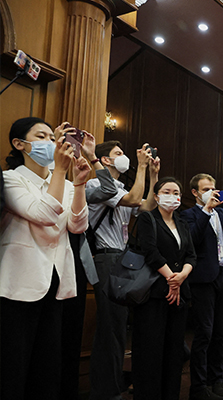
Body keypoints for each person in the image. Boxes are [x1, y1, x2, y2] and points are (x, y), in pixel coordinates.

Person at [0, 117, 91, 399]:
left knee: (46, 366)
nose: (51, 143)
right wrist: (61, 174)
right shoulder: (9, 179)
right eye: (42, 136)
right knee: (12, 367)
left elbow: (77, 226)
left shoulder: (59, 181)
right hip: (18, 283)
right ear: (20, 144)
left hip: (55, 281)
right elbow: (43, 214)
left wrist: (78, 185)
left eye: (53, 138)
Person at [88, 140, 159, 400]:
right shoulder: (97, 184)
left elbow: (147, 206)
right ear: (105, 160)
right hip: (106, 257)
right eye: (118, 154)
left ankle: (114, 384)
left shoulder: (119, 186)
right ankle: (105, 390)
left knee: (119, 325)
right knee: (110, 327)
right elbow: (132, 200)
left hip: (121, 258)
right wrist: (140, 168)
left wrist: (152, 175)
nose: (124, 157)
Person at [59, 124, 118, 400]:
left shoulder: (79, 185)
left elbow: (107, 188)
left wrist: (93, 157)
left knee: (71, 329)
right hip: (42, 263)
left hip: (76, 262)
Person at [181, 174, 223, 400]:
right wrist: (206, 211)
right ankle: (198, 386)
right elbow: (192, 239)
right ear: (195, 192)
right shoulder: (188, 214)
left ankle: (216, 379)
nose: (212, 192)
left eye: (214, 188)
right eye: (206, 189)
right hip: (203, 280)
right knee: (205, 333)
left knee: (221, 332)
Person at [132, 177, 196, 400]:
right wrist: (171, 278)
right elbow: (150, 252)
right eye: (167, 191)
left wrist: (183, 276)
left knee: (174, 351)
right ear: (157, 196)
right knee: (150, 350)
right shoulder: (147, 219)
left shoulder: (183, 223)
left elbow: (191, 255)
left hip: (180, 293)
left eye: (176, 192)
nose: (172, 196)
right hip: (154, 292)